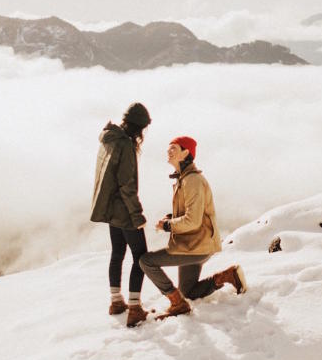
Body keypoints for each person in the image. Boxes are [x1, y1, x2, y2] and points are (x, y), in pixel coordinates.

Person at [140, 136, 247, 320]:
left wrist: (168, 225)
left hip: (195, 246)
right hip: (196, 244)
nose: (168, 151)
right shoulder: (185, 179)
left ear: (186, 152)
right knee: (188, 291)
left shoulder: (192, 181)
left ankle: (176, 303)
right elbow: (192, 214)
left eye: (173, 148)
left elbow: (193, 221)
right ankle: (228, 276)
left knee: (147, 262)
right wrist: (171, 218)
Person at [90, 102, 152, 328]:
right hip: (124, 210)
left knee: (118, 252)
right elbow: (127, 185)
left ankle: (116, 301)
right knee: (141, 256)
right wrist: (137, 215)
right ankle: (135, 308)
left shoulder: (109, 138)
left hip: (110, 209)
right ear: (138, 127)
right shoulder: (125, 145)